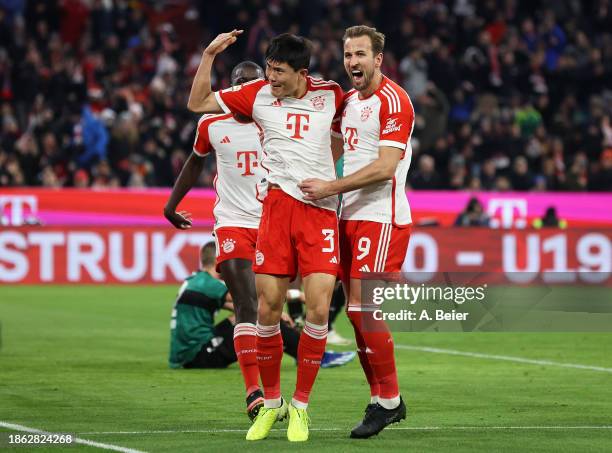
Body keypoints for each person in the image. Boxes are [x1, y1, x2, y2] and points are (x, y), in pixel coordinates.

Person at [186, 31, 344, 442]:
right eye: (269, 69)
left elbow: (353, 130)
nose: (271, 79)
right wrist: (208, 54)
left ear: (302, 73)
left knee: (318, 308)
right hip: (273, 212)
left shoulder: (331, 95)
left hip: (319, 214)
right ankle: (271, 403)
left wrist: (331, 173)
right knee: (267, 310)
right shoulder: (255, 94)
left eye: (279, 73)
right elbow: (197, 103)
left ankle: (301, 407)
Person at [299, 25, 415, 438]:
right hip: (348, 216)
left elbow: (385, 168)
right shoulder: (347, 101)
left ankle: (389, 400)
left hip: (382, 218)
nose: (353, 63)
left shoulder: (395, 101)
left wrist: (331, 186)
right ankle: (381, 399)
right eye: (348, 55)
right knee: (354, 313)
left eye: (361, 55)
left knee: (366, 310)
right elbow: (333, 148)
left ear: (378, 59)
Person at [164, 61, 268, 421]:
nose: (246, 91)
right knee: (246, 304)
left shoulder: (278, 120)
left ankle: (276, 383)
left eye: (253, 84)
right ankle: (253, 391)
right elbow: (195, 163)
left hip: (273, 223)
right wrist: (171, 204)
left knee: (270, 309)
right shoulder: (211, 123)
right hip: (233, 223)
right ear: (230, 88)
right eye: (240, 84)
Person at [169, 243, 356, 417]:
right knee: (261, 317)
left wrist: (272, 310)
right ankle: (313, 356)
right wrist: (297, 296)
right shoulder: (208, 284)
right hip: (197, 354)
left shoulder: (197, 281)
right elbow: (248, 299)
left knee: (254, 316)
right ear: (219, 261)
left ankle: (304, 352)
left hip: (187, 351)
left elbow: (239, 305)